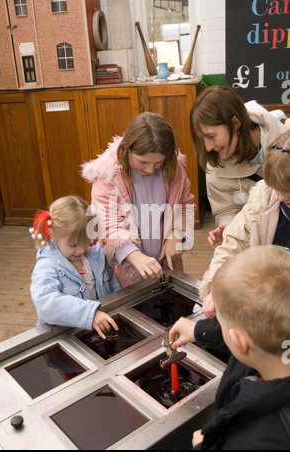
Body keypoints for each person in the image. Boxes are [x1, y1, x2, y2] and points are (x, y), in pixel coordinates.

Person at [170, 245, 290, 450]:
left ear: (238, 341)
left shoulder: (256, 440)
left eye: (220, 322)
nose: (219, 325)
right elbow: (253, 327)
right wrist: (200, 330)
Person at [82, 112, 195, 288]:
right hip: (123, 275)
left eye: (158, 163)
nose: (150, 169)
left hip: (167, 266)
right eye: (143, 162)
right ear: (127, 150)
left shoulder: (174, 169)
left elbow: (185, 205)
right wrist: (133, 254)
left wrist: (176, 236)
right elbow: (106, 222)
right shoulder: (108, 175)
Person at [199, 129, 290, 318]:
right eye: (276, 189)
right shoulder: (263, 198)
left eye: (288, 193)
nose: (280, 197)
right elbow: (233, 244)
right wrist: (218, 285)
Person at [190, 85, 290, 248]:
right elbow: (226, 211)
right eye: (202, 139)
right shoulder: (214, 166)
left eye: (211, 136)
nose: (207, 147)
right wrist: (230, 229)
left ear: (235, 123)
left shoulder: (285, 140)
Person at [30, 195, 120, 339]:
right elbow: (45, 303)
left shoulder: (96, 253)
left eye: (86, 241)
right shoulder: (47, 265)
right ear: (53, 234)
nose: (81, 250)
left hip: (96, 331)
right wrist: (90, 314)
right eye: (73, 245)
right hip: (64, 338)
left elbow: (113, 286)